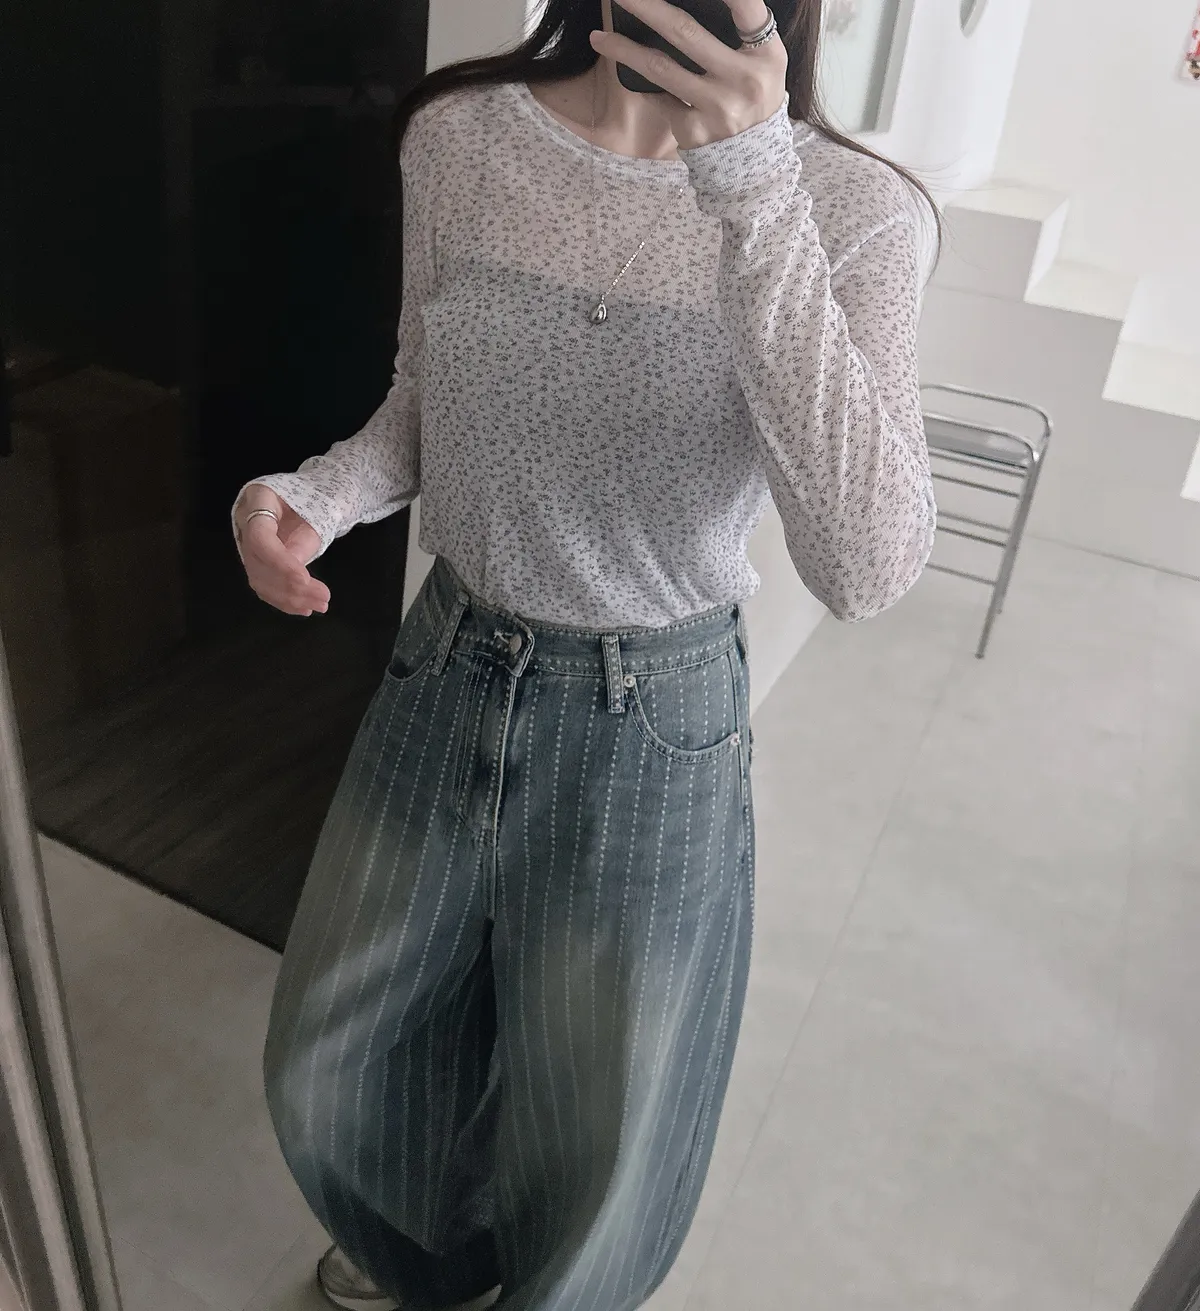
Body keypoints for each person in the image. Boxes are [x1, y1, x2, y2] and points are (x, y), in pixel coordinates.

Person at [231, 0, 937, 1307]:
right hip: (448, 662)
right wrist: (316, 496)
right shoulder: (461, 134)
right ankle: (433, 1266)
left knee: (599, 1134)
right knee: (330, 1062)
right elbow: (422, 399)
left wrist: (753, 184)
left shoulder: (855, 209)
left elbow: (868, 565)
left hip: (652, 710)